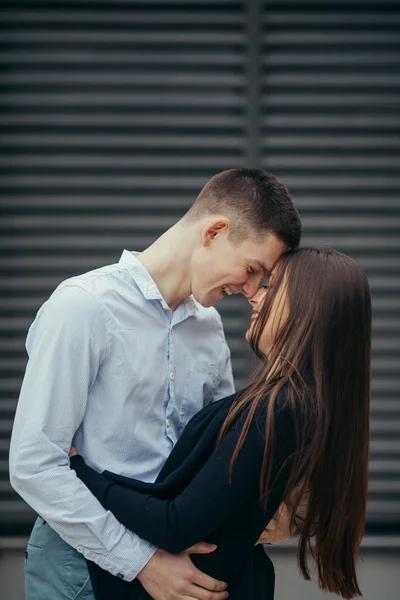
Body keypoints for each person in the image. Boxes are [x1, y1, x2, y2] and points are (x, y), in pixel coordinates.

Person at [9, 169, 301, 600]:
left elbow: (217, 460)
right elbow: (35, 465)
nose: (251, 290)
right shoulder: (83, 307)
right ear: (214, 232)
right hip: (82, 562)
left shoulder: (209, 328)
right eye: (253, 269)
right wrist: (142, 562)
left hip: (174, 562)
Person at [69, 247, 372, 600]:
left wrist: (81, 471)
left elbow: (176, 523)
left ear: (309, 307)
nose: (255, 296)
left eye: (272, 287)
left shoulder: (280, 410)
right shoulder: (294, 406)